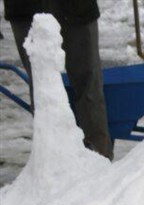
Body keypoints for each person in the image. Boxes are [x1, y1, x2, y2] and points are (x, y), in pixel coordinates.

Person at [3, 0, 113, 160]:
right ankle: (51, 163)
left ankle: (100, 161)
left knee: (88, 86)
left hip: (76, 9)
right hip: (26, 9)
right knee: (42, 87)